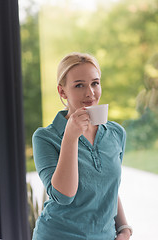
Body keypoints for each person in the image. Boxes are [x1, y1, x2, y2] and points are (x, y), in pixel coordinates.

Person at [32, 52, 133, 240]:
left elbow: (109, 188)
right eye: (79, 85)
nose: (90, 93)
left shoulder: (116, 133)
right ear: (62, 92)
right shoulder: (45, 138)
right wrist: (70, 137)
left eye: (95, 83)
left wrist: (124, 228)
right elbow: (64, 196)